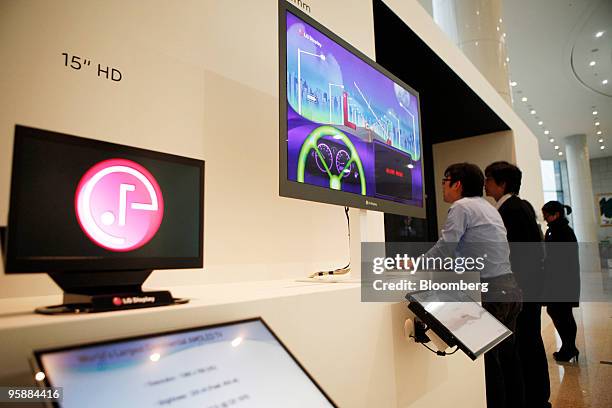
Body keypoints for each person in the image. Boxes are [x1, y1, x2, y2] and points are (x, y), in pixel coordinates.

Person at [425, 162, 524, 408]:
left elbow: (445, 248)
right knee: (509, 362)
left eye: (444, 182)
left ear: (456, 184)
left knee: (490, 367)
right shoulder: (488, 207)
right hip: (510, 289)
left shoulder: (461, 207)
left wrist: (415, 265)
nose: (443, 188)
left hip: (491, 293)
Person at [485, 161, 551, 408]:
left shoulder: (511, 210)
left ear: (501, 183)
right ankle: (537, 397)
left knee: (526, 344)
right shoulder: (520, 207)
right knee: (529, 342)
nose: (485, 184)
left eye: (489, 179)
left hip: (520, 290)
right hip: (526, 289)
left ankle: (534, 398)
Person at [542, 201, 580, 362]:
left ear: (556, 214)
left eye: (546, 216)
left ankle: (569, 347)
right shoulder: (557, 230)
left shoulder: (561, 231)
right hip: (560, 279)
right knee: (560, 312)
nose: (545, 219)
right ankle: (569, 346)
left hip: (562, 280)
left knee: (561, 312)